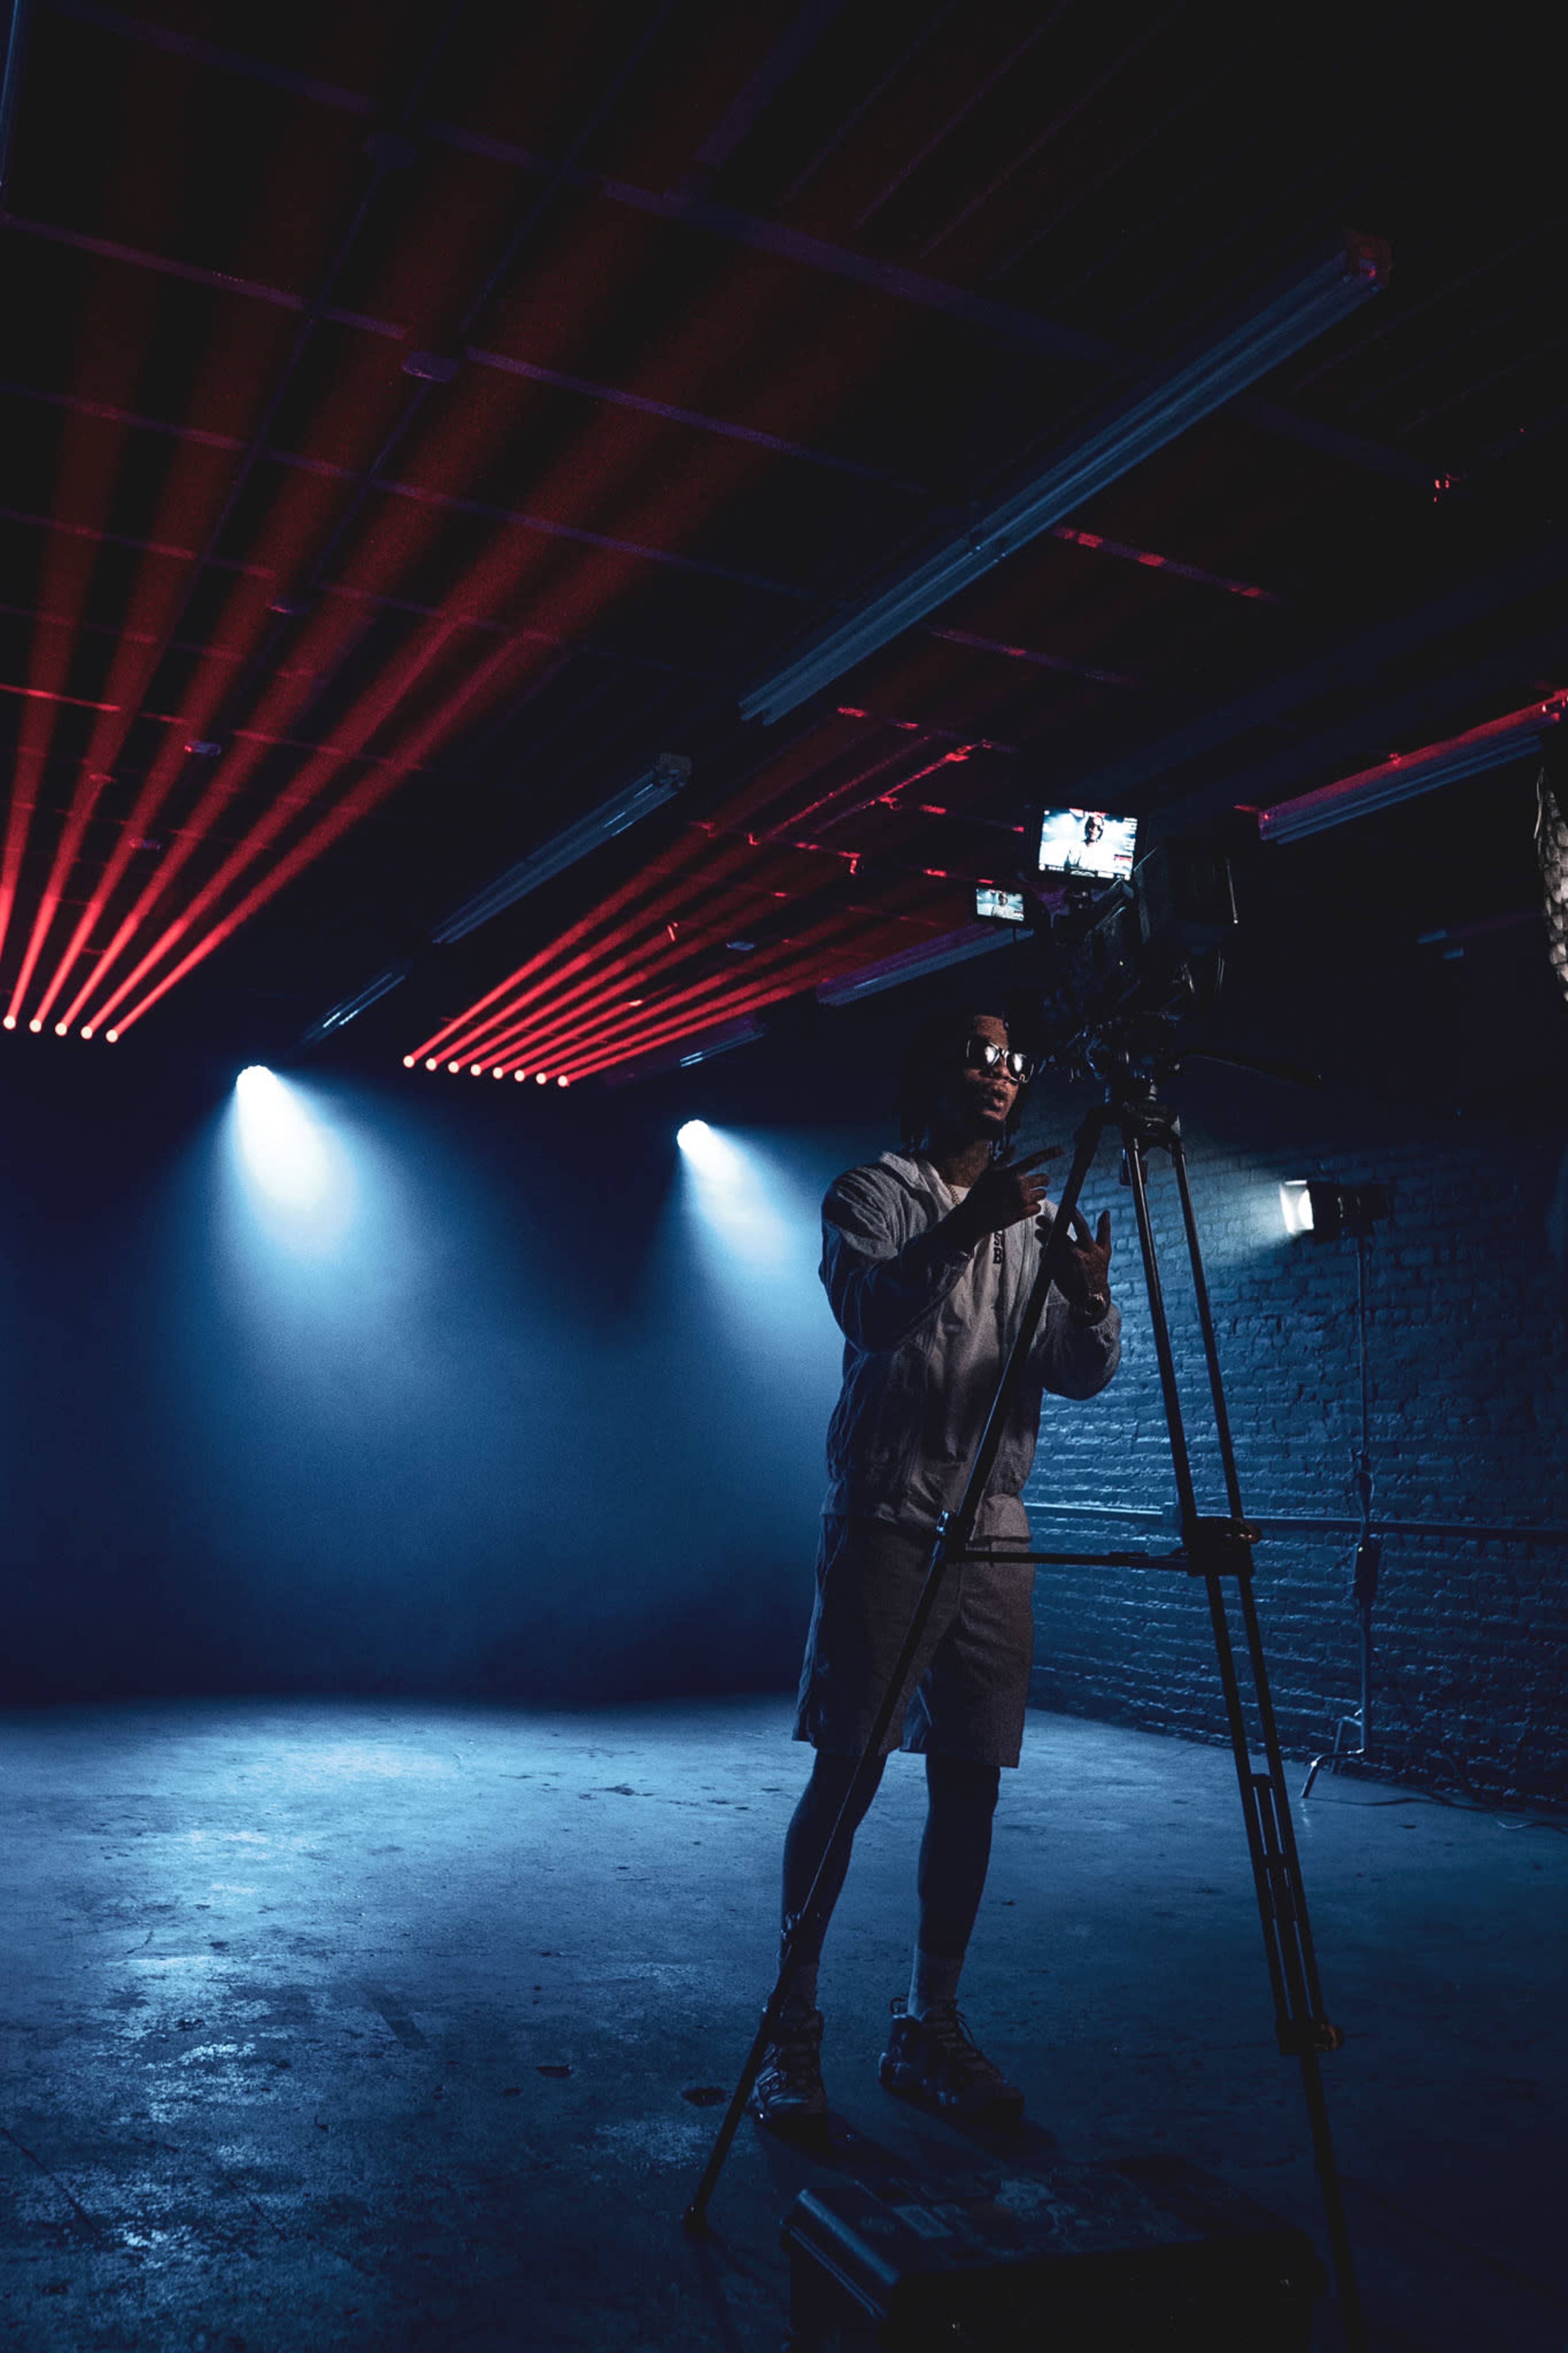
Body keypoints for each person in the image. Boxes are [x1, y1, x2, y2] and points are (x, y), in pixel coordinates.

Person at [751, 1008, 1121, 2141]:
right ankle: (796, 2025)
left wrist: (1091, 1293)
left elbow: (1077, 1372)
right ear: (929, 1079)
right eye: (973, 1052)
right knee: (851, 1770)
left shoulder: (1037, 1217)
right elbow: (870, 1310)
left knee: (971, 1776)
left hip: (994, 1525)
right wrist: (969, 1226)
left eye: (1012, 1058)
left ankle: (929, 2020)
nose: (999, 1073)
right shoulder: (873, 1193)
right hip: (888, 1514)